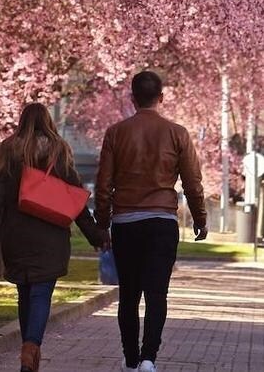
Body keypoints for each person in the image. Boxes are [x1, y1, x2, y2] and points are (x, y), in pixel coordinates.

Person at [0, 103, 103, 372]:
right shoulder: (59, 151)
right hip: (50, 239)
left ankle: (28, 353)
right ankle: (30, 349)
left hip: (15, 237)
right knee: (41, 295)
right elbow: (76, 200)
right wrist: (95, 236)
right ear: (48, 122)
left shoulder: (9, 152)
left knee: (24, 293)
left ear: (22, 122)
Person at [95, 71, 207, 372]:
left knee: (128, 294)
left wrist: (102, 223)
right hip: (161, 221)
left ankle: (130, 359)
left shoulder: (116, 133)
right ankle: (148, 359)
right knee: (157, 294)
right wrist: (200, 218)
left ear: (132, 98)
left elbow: (103, 184)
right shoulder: (177, 133)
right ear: (161, 97)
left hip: (126, 221)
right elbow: (192, 182)